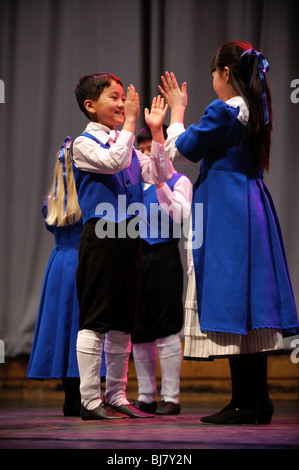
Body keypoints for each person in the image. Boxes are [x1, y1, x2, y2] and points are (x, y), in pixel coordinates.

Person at [159, 40, 299, 425]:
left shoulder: (223, 110)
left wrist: (177, 111)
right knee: (248, 299)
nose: (213, 83)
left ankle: (245, 401)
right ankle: (257, 399)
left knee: (232, 296)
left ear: (224, 74)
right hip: (251, 203)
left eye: (213, 75)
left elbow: (182, 149)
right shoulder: (257, 108)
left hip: (226, 208)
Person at [71, 73, 174, 420]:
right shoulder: (83, 144)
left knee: (123, 323)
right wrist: (131, 121)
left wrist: (157, 132)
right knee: (96, 318)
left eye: (122, 98)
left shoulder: (126, 143)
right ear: (90, 106)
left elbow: (160, 174)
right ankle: (89, 400)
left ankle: (116, 395)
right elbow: (113, 161)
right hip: (101, 236)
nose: (121, 104)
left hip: (131, 235)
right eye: (113, 98)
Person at [27, 137, 106, 417]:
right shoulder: (88, 202)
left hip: (58, 266)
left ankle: (70, 398)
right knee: (82, 327)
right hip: (83, 262)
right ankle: (88, 395)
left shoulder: (52, 204)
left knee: (63, 329)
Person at [132, 125, 192, 415]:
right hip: (136, 258)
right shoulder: (133, 185)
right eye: (141, 150)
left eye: (151, 149)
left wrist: (160, 182)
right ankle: (145, 395)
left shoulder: (180, 181)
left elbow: (180, 215)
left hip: (164, 255)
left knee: (166, 327)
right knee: (139, 329)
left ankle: (171, 397)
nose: (146, 156)